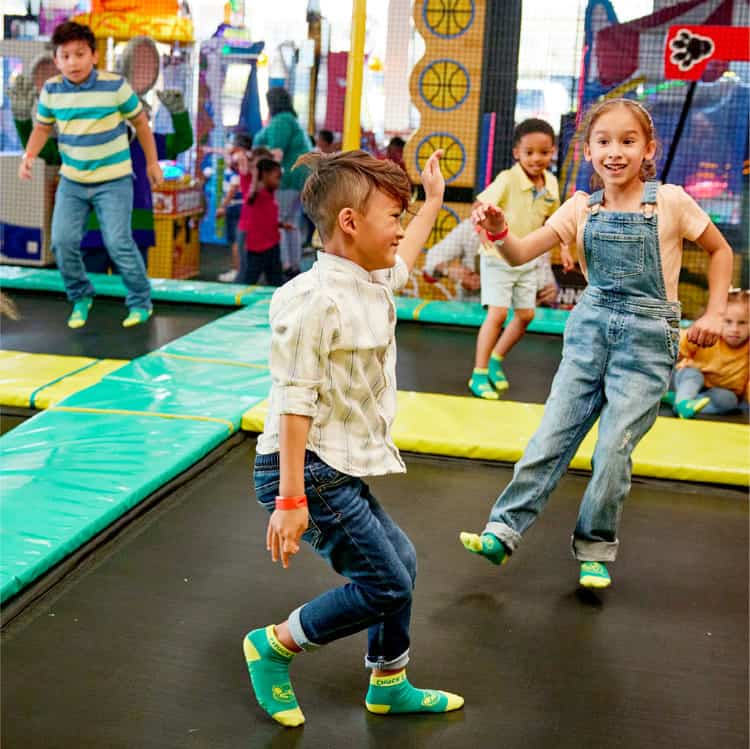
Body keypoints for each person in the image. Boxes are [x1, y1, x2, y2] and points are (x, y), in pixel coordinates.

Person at [460, 98, 733, 589]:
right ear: (588, 151)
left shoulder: (670, 201)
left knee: (613, 450)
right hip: (589, 333)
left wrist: (714, 312)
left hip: (648, 343)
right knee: (551, 437)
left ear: (649, 148)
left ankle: (594, 548)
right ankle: (503, 529)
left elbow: (719, 249)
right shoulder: (579, 208)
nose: (615, 152)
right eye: (604, 142)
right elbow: (521, 252)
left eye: (628, 142)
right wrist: (500, 231)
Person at [245, 148, 464, 728]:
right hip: (304, 469)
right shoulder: (312, 299)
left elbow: (407, 255)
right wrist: (291, 502)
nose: (400, 229)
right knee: (386, 583)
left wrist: (435, 200)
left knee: (403, 564)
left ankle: (388, 682)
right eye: (393, 216)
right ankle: (273, 645)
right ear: (350, 223)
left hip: (333, 466)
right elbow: (293, 403)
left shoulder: (370, 280)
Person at [18, 22, 160, 328]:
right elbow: (43, 128)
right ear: (56, 61)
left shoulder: (115, 86)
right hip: (73, 181)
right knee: (61, 241)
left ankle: (140, 301)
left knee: (118, 241)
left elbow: (142, 124)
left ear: (94, 56)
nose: (73, 62)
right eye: (65, 56)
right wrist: (28, 156)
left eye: (80, 54)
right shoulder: (52, 91)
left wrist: (151, 163)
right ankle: (81, 295)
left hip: (114, 180)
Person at [468, 118, 561, 399]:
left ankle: (496, 359)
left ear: (553, 152)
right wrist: (483, 230)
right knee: (497, 314)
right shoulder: (507, 179)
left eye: (544, 152)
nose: (537, 158)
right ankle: (479, 373)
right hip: (497, 257)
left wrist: (564, 249)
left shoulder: (551, 183)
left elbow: (555, 218)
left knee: (526, 315)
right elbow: (479, 205)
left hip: (528, 258)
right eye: (529, 152)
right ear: (516, 153)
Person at [252, 87, 311, 279]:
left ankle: (284, 264)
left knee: (280, 222)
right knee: (291, 222)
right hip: (297, 179)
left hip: (285, 180)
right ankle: (292, 265)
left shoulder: (281, 121)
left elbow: (276, 153)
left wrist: (258, 174)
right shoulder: (291, 120)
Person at [664, 289, 749, 418]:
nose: (735, 329)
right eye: (728, 322)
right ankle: (684, 400)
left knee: (730, 400)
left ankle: (680, 402)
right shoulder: (707, 333)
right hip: (688, 380)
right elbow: (675, 347)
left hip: (717, 391)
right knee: (693, 374)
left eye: (742, 323)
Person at [237, 158, 286, 286]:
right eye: (277, 177)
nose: (279, 182)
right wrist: (255, 174)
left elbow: (266, 216)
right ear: (264, 175)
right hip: (257, 248)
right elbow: (250, 197)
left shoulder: (270, 193)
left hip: (273, 245)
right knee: (249, 281)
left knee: (276, 281)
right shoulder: (255, 191)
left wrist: (280, 224)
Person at [216, 132, 254, 282]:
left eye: (232, 144)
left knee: (236, 242)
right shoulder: (243, 159)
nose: (229, 147)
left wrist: (222, 206)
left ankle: (238, 272)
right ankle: (241, 271)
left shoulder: (239, 161)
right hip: (239, 207)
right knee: (240, 242)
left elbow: (234, 187)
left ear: (239, 147)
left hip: (235, 207)